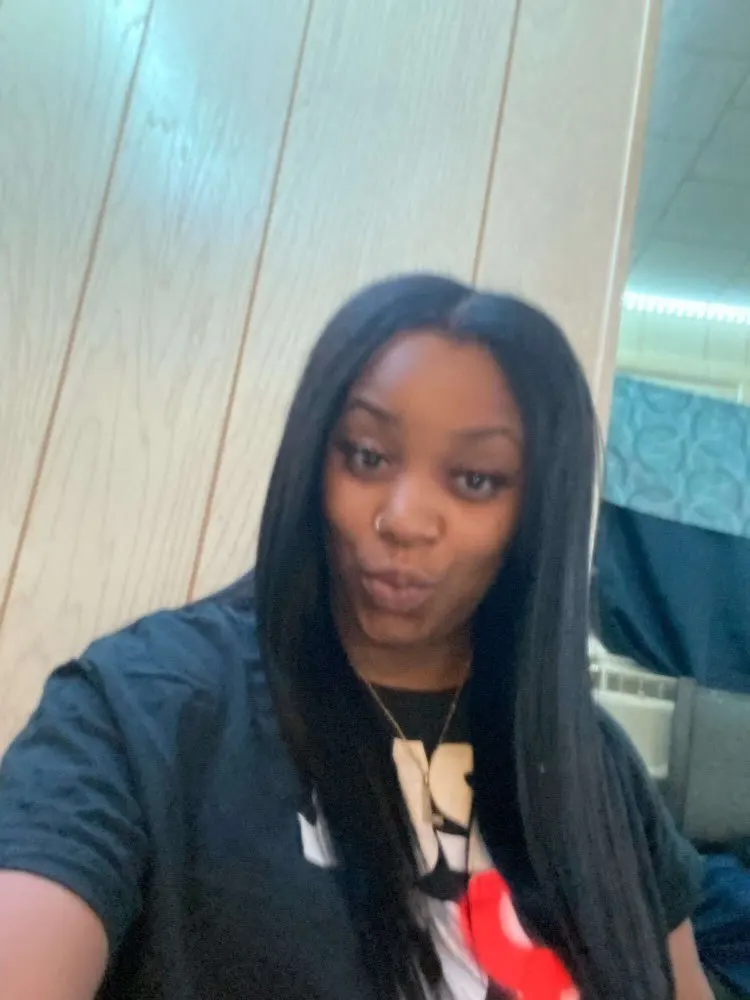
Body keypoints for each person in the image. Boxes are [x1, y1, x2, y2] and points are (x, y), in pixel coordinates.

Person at [0, 275, 713, 1000]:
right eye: (368, 457)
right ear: (316, 458)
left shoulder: (594, 765)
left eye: (474, 480)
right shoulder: (147, 706)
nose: (404, 519)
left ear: (534, 513)